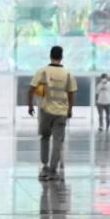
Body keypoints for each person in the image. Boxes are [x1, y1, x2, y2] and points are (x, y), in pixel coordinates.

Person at [28, 45, 77, 181]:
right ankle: (53, 170)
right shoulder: (68, 74)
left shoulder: (42, 71)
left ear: (50, 56)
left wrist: (30, 105)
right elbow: (71, 94)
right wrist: (70, 110)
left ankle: (44, 167)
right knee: (57, 141)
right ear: (61, 57)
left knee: (44, 137)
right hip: (61, 112)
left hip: (45, 110)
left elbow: (32, 89)